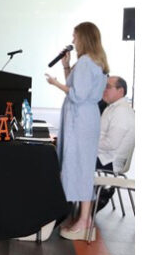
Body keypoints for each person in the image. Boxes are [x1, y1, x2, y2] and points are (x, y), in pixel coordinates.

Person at [46, 22, 109, 241]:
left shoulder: (85, 62)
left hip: (80, 120)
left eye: (75, 36)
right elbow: (79, 88)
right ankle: (86, 219)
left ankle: (83, 222)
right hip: (87, 118)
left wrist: (55, 84)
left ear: (83, 37)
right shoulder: (96, 63)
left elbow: (77, 94)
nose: (72, 40)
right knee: (84, 168)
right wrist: (66, 66)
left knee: (80, 168)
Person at [95, 75, 135, 212]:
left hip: (109, 160)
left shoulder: (121, 111)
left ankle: (79, 210)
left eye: (108, 87)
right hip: (103, 155)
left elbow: (111, 143)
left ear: (121, 91)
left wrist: (87, 143)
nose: (103, 90)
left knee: (68, 162)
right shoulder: (112, 108)